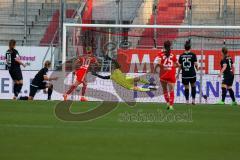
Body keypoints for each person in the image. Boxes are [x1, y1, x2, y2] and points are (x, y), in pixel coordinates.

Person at [92, 55, 156, 92]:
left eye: (112, 68)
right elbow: (103, 77)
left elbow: (115, 62)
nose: (112, 69)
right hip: (127, 85)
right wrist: (95, 74)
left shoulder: (117, 70)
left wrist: (109, 58)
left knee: (138, 78)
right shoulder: (111, 76)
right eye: (111, 69)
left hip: (128, 80)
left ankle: (150, 83)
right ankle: (150, 89)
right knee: (138, 89)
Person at [154, 40, 179, 110]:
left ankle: (167, 103)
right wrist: (172, 67)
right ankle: (171, 105)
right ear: (170, 46)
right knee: (171, 90)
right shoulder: (173, 55)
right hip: (171, 74)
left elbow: (158, 63)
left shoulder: (160, 54)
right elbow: (178, 65)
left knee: (165, 89)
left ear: (163, 46)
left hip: (163, 74)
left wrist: (155, 69)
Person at [177, 40, 198, 105]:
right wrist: (197, 69)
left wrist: (177, 74)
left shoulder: (181, 56)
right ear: (190, 48)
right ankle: (193, 100)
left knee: (186, 87)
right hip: (192, 74)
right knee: (193, 86)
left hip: (185, 74)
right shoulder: (193, 55)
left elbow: (180, 66)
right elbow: (196, 64)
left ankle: (187, 101)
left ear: (184, 48)